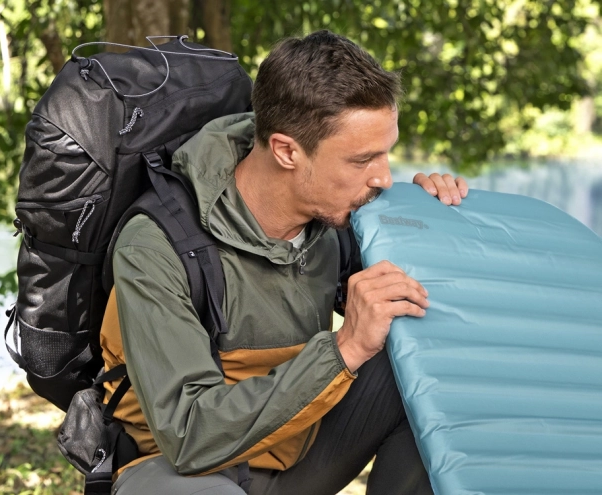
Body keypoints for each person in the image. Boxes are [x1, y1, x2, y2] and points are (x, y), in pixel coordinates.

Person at [100, 30, 468, 495]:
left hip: (299, 452)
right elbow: (189, 437)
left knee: (425, 374)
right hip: (183, 470)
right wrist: (345, 348)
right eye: (362, 160)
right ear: (286, 150)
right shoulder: (157, 247)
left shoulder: (337, 215)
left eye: (386, 154)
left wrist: (432, 225)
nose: (384, 178)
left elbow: (436, 308)